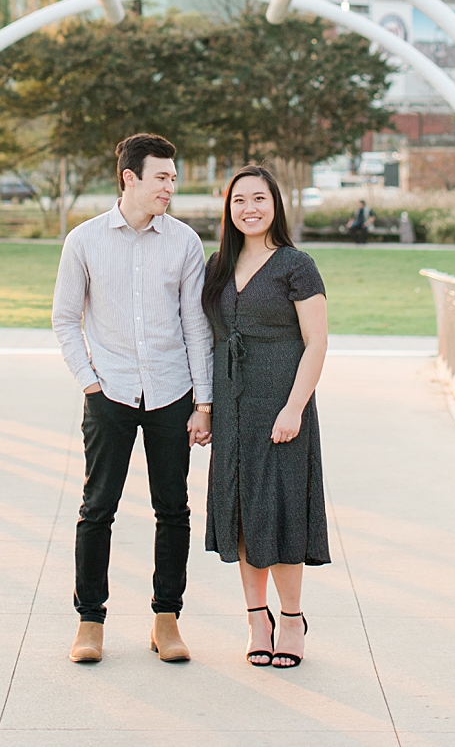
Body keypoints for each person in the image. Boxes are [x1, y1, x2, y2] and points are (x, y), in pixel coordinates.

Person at [53, 133, 213, 666]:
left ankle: (166, 619)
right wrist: (88, 380)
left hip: (172, 392)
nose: (171, 185)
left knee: (173, 509)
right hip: (110, 391)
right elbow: (64, 318)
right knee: (97, 509)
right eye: (162, 176)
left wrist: (203, 402)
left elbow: (196, 325)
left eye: (173, 176)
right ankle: (90, 621)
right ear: (130, 178)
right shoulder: (85, 240)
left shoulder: (185, 243)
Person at [203, 164, 329, 669]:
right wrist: (205, 408)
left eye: (258, 198)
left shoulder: (296, 264)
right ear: (228, 210)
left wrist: (294, 407)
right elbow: (207, 338)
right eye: (239, 201)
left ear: (274, 204)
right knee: (239, 511)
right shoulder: (216, 265)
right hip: (232, 406)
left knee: (279, 512)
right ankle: (258, 618)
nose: (249, 209)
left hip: (281, 404)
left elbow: (317, 341)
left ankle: (292, 619)